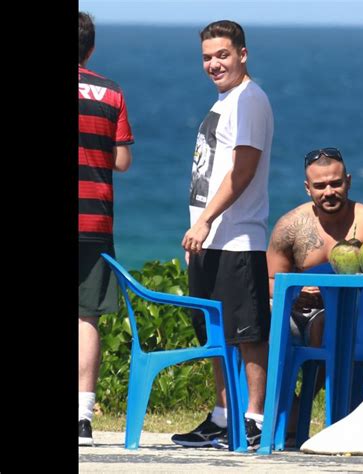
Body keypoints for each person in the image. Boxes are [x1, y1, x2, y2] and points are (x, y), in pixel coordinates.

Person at [172, 20, 274, 449]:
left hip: (238, 239)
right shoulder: (225, 101)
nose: (214, 64)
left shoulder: (249, 99)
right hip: (210, 239)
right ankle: (222, 414)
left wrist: (205, 221)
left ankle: (253, 418)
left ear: (243, 54)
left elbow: (244, 170)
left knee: (247, 334)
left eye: (223, 55)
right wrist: (201, 230)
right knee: (215, 332)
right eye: (207, 57)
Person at [266, 147, 363, 441]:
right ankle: (267, 413)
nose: (329, 192)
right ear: (307, 188)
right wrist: (298, 290)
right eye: (320, 186)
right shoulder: (290, 227)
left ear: (348, 181)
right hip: (297, 310)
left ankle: (308, 410)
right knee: (259, 326)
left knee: (328, 328)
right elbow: (270, 279)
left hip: (351, 316)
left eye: (335, 183)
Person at [78, 12, 134, 446]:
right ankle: (82, 417)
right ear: (91, 48)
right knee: (87, 316)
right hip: (94, 220)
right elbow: (121, 161)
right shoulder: (111, 91)